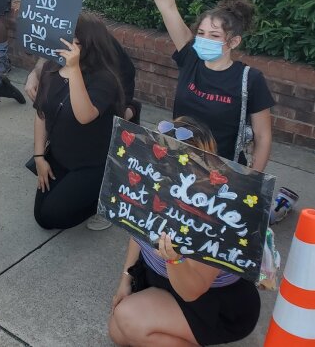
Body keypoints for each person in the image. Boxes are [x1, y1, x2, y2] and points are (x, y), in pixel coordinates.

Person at [109, 117, 261, 346]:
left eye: (182, 162)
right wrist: (125, 280)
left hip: (211, 301)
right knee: (118, 333)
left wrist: (175, 260)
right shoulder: (154, 182)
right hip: (163, 282)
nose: (169, 167)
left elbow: (193, 291)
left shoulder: (213, 212)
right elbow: (136, 231)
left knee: (127, 317)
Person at [133, 0, 274, 170]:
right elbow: (166, 5)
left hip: (222, 173)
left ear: (233, 41)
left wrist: (250, 182)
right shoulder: (191, 58)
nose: (205, 39)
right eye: (201, 32)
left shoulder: (250, 80)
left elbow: (263, 137)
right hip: (177, 163)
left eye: (215, 35)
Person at [32, 13, 125, 230]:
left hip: (92, 163)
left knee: (52, 217)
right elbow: (41, 114)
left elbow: (84, 116)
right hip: (61, 156)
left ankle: (105, 198)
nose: (64, 45)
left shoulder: (104, 79)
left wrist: (73, 69)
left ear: (89, 45)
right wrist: (39, 157)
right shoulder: (51, 68)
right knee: (41, 215)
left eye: (73, 42)